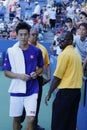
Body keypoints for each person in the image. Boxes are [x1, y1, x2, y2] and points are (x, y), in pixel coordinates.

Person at [4, 22, 44, 130]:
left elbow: (41, 67)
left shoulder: (37, 51)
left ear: (29, 34)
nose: (23, 37)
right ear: (16, 35)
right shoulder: (11, 51)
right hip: (16, 90)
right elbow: (6, 72)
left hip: (32, 90)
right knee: (17, 119)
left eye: (25, 34)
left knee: (31, 119)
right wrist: (19, 76)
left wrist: (37, 73)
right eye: (20, 34)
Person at [45, 31, 83, 130]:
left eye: (63, 40)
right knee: (70, 123)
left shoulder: (64, 54)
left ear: (70, 41)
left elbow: (57, 77)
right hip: (76, 94)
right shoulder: (77, 55)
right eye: (59, 39)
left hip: (65, 94)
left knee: (58, 123)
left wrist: (49, 92)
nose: (60, 42)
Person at [20, 28, 51, 130]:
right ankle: (19, 121)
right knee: (22, 102)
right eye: (33, 34)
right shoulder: (22, 48)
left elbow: (47, 64)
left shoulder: (42, 49)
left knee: (36, 103)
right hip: (25, 79)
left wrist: (49, 77)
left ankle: (34, 124)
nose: (35, 37)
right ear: (28, 35)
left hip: (38, 80)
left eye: (36, 35)